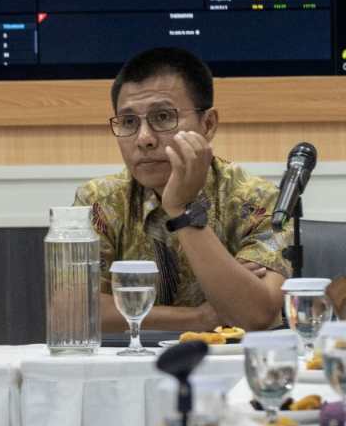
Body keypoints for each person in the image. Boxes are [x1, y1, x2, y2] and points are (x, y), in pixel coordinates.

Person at [74, 47, 290, 333]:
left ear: (208, 124)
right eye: (128, 122)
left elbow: (254, 315)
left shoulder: (258, 199)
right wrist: (199, 318)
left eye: (163, 117)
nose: (144, 138)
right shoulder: (100, 201)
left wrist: (182, 211)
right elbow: (74, 310)